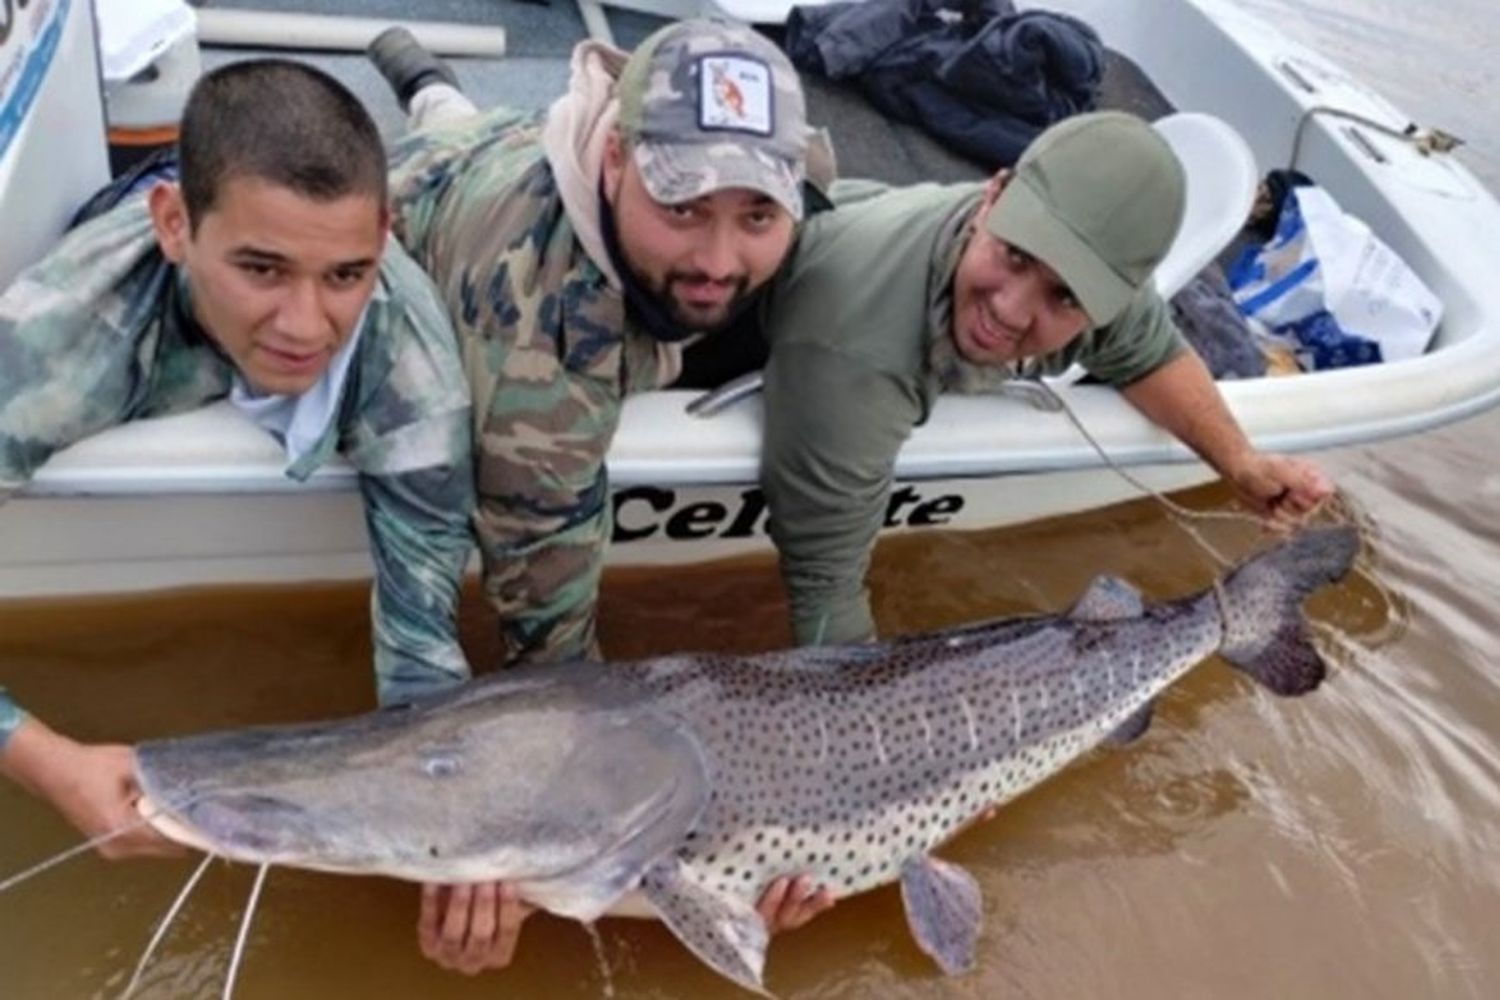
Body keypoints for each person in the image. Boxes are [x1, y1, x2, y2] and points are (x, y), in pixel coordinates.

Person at [365, 20, 833, 973]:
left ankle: (419, 71)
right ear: (616, 159)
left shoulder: (698, 209)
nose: (717, 258)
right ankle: (420, 82)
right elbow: (552, 652)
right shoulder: (550, 360)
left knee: (452, 113)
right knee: (432, 140)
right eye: (684, 206)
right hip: (438, 201)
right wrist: (534, 858)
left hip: (500, 138)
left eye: (757, 215)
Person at [0, 58, 474, 891]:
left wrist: (458, 860)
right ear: (175, 224)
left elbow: (422, 657)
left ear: (383, 240)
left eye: (346, 276)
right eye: (261, 269)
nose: (305, 325)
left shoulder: (415, 377)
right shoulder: (55, 345)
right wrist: (44, 759)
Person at [759, 110, 1334, 647]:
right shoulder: (853, 347)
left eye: (1064, 296)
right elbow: (824, 590)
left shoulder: (1085, 269)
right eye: (1015, 256)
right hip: (807, 302)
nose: (1010, 310)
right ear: (993, 197)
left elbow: (1152, 354)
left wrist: (1240, 462)